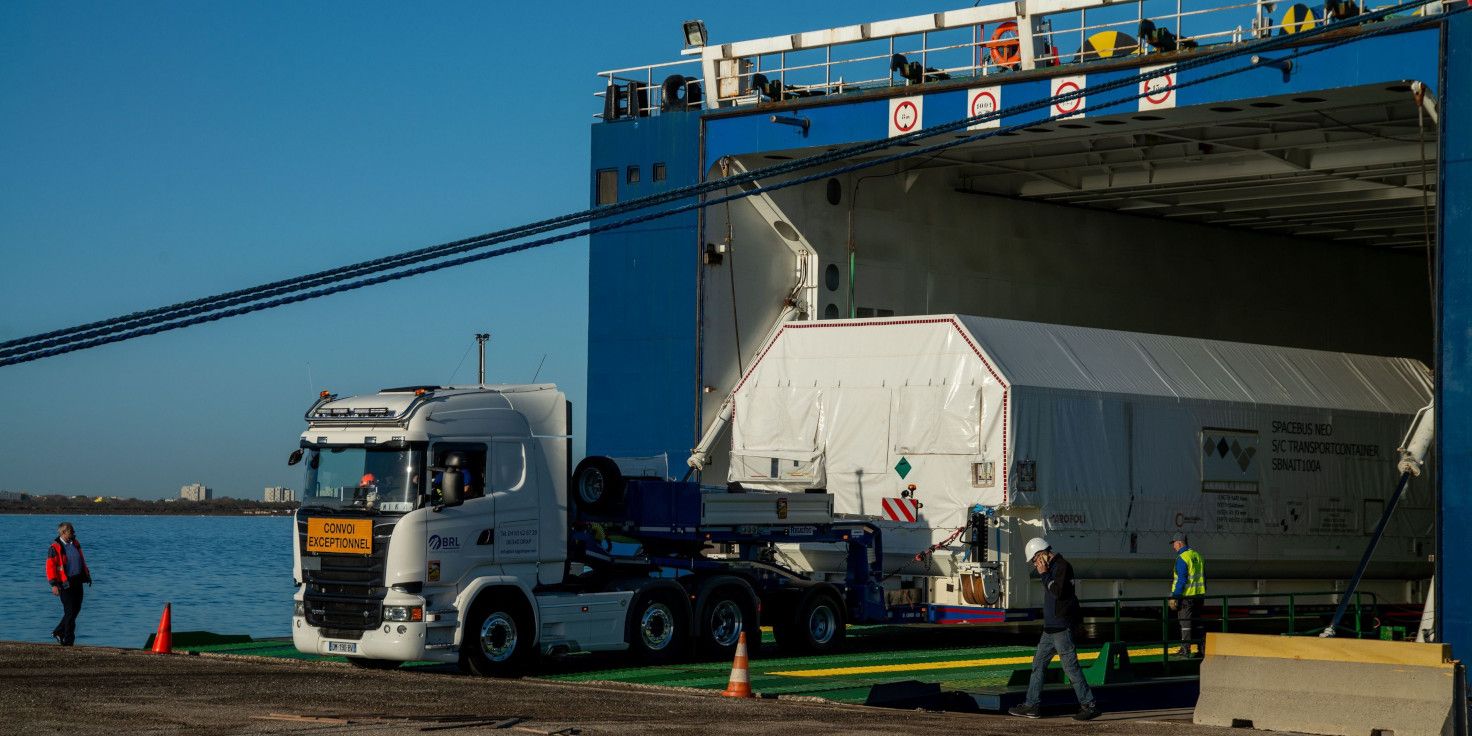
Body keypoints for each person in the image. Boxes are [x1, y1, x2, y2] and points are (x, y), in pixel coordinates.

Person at [1008, 537, 1100, 721]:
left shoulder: (1062, 567)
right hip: (1049, 629)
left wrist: (1044, 574)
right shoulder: (1052, 569)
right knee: (1038, 666)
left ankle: (1089, 704)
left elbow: (1058, 592)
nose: (1035, 565)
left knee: (1070, 668)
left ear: (1041, 554)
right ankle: (1032, 705)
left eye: (1035, 560)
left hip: (1061, 627)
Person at [44, 521, 92, 646]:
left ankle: (59, 631)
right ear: (63, 532)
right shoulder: (55, 547)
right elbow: (50, 567)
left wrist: (87, 575)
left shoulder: (75, 543)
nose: (74, 533)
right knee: (70, 611)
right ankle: (68, 640)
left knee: (76, 610)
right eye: (71, 531)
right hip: (64, 583)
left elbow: (81, 560)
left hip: (77, 581)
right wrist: (54, 584)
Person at [1168, 531, 1207, 657]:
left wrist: (1175, 596)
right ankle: (1202, 649)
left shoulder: (1182, 558)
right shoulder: (1197, 556)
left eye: (1174, 543)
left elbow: (1181, 579)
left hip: (1187, 597)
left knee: (1185, 623)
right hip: (1199, 596)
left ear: (1179, 543)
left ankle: (1185, 649)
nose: (1173, 546)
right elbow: (1203, 577)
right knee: (1198, 622)